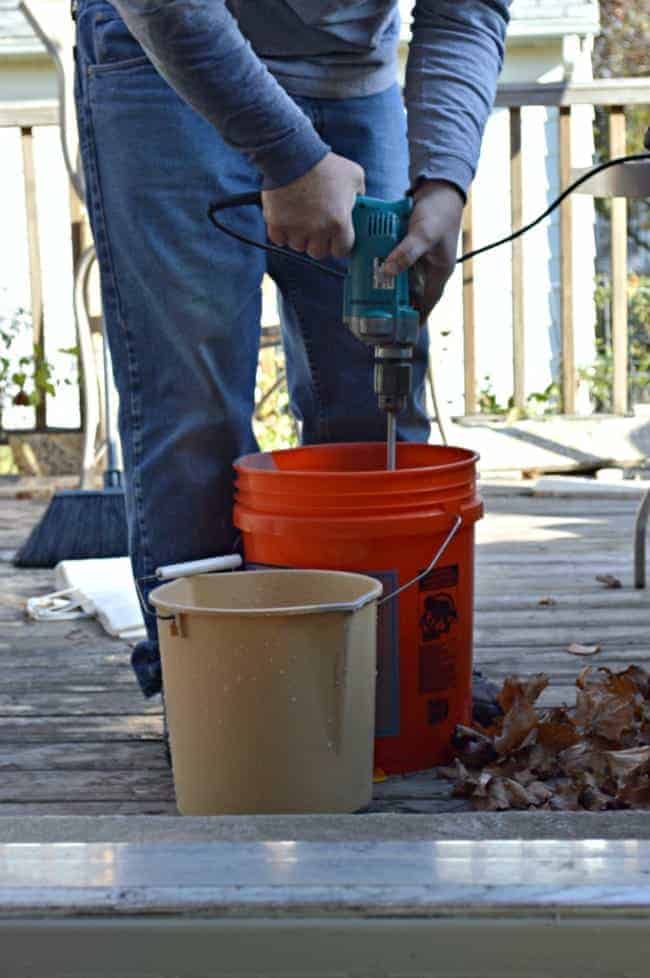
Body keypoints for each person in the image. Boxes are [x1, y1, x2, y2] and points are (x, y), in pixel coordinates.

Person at [73, 0, 510, 710]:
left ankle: (382, 657)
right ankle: (218, 690)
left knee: (380, 363)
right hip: (168, 57)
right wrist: (288, 154)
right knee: (195, 395)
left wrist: (443, 180)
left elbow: (468, 8)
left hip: (351, 72)